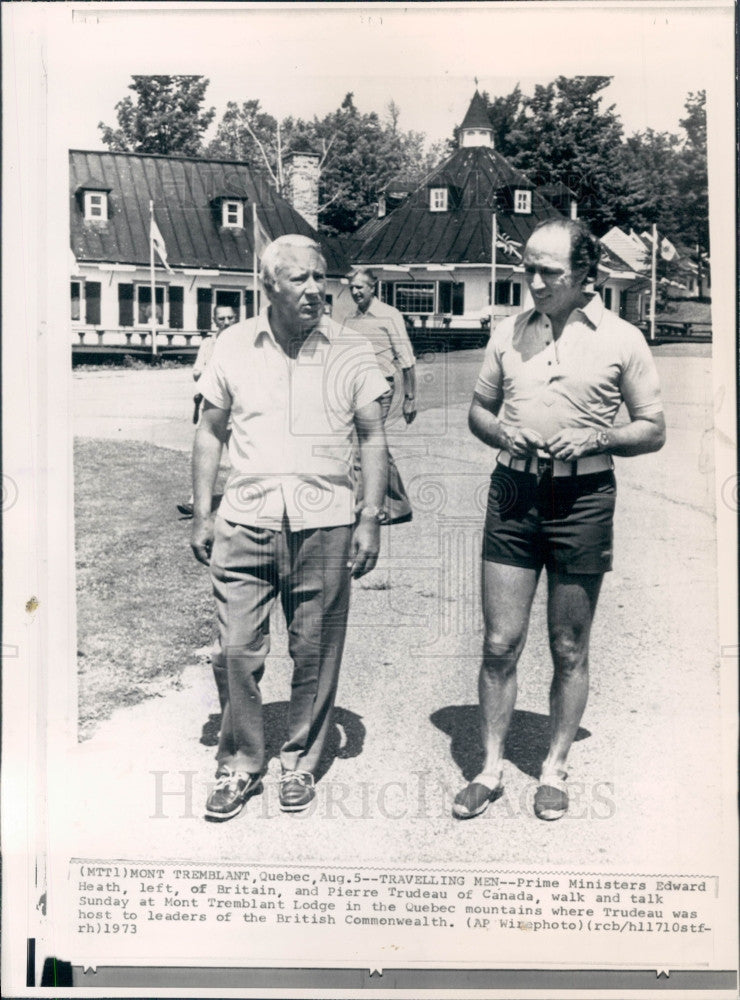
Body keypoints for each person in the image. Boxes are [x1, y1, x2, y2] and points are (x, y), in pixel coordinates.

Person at [454, 218, 666, 822]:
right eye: (529, 267)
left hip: (584, 499)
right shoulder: (507, 333)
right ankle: (490, 769)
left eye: (550, 270)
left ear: (585, 277)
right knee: (500, 642)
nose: (535, 280)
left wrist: (601, 435)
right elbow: (478, 411)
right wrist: (501, 430)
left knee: (568, 644)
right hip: (514, 493)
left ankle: (554, 768)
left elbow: (653, 429)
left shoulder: (623, 339)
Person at [191, 235, 389, 820]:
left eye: (319, 278)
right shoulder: (230, 345)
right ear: (268, 285)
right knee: (236, 650)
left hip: (325, 522)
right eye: (299, 279)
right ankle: (240, 764)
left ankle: (300, 762)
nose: (314, 290)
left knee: (316, 650)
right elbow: (210, 431)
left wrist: (370, 518)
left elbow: (373, 437)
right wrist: (203, 510)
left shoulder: (351, 350)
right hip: (245, 520)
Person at [342, 268, 416, 522]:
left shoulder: (389, 315)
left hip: (380, 388)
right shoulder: (350, 319)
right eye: (352, 287)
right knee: (374, 445)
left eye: (360, 287)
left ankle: (363, 508)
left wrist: (410, 397)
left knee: (364, 447)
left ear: (373, 287)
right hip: (354, 390)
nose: (355, 292)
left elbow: (406, 359)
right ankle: (399, 505)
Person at [177, 305, 237, 517]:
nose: (227, 322)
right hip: (212, 406)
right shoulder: (208, 344)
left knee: (240, 456)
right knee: (206, 456)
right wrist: (210, 372)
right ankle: (196, 502)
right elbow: (196, 372)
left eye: (230, 318)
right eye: (222, 318)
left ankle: (244, 501)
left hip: (238, 409)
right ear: (214, 321)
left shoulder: (244, 343)